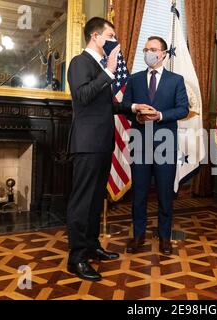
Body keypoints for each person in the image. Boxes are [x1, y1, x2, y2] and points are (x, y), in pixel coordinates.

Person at [66, 17, 152, 282]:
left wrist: (132, 107)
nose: (115, 40)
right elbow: (82, 96)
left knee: (94, 201)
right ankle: (77, 258)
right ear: (95, 36)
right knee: (82, 201)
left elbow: (107, 105)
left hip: (102, 143)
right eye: (110, 34)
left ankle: (91, 247)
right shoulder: (80, 62)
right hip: (87, 143)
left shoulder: (98, 66)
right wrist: (110, 69)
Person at [123, 36, 189, 255]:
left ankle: (164, 237)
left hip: (165, 144)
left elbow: (183, 110)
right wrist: (136, 113)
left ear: (163, 53)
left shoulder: (176, 80)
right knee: (139, 193)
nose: (148, 52)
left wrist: (159, 115)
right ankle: (138, 236)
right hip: (140, 141)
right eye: (146, 49)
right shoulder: (134, 79)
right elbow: (124, 106)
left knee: (164, 194)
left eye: (153, 49)